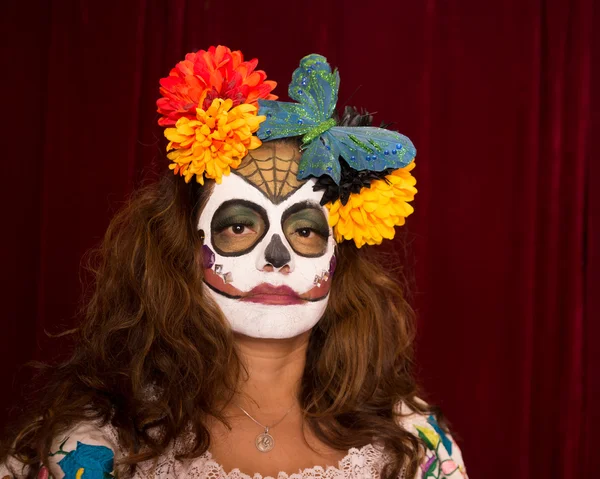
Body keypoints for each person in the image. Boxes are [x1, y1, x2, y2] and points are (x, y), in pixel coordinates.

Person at [0, 46, 468, 479]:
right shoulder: (91, 446)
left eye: (304, 230)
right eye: (240, 226)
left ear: (338, 257)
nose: (276, 257)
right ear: (183, 247)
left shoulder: (413, 443)